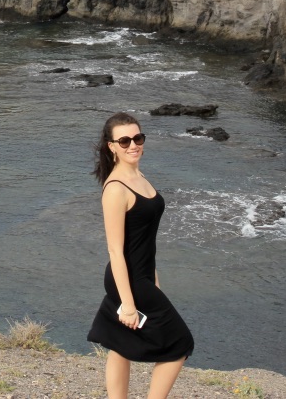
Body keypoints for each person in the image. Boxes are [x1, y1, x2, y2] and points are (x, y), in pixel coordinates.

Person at [87, 112, 194, 398]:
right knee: (180, 344)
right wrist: (129, 304)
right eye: (124, 140)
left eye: (137, 138)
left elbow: (145, 240)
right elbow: (115, 250)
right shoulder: (115, 189)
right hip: (128, 278)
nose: (132, 145)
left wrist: (154, 278)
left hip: (143, 275)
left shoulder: (138, 175)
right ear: (111, 146)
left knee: (121, 343)